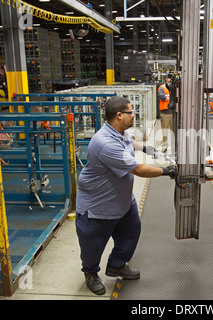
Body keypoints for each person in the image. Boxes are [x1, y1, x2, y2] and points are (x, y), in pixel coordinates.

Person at [75, 96, 177, 295]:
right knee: (93, 243)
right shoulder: (105, 143)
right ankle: (91, 273)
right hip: (99, 204)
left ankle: (117, 265)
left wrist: (146, 148)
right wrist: (167, 170)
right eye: (131, 112)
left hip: (122, 200)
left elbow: (129, 142)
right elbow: (138, 169)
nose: (133, 115)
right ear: (119, 115)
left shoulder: (118, 132)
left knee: (131, 232)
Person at [158, 73, 175, 146]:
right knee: (164, 130)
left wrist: (168, 97)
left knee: (174, 131)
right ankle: (165, 144)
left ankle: (174, 143)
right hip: (165, 113)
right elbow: (162, 97)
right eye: (168, 78)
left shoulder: (175, 87)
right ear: (166, 79)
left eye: (171, 79)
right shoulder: (162, 87)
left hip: (173, 113)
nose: (169, 80)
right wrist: (170, 98)